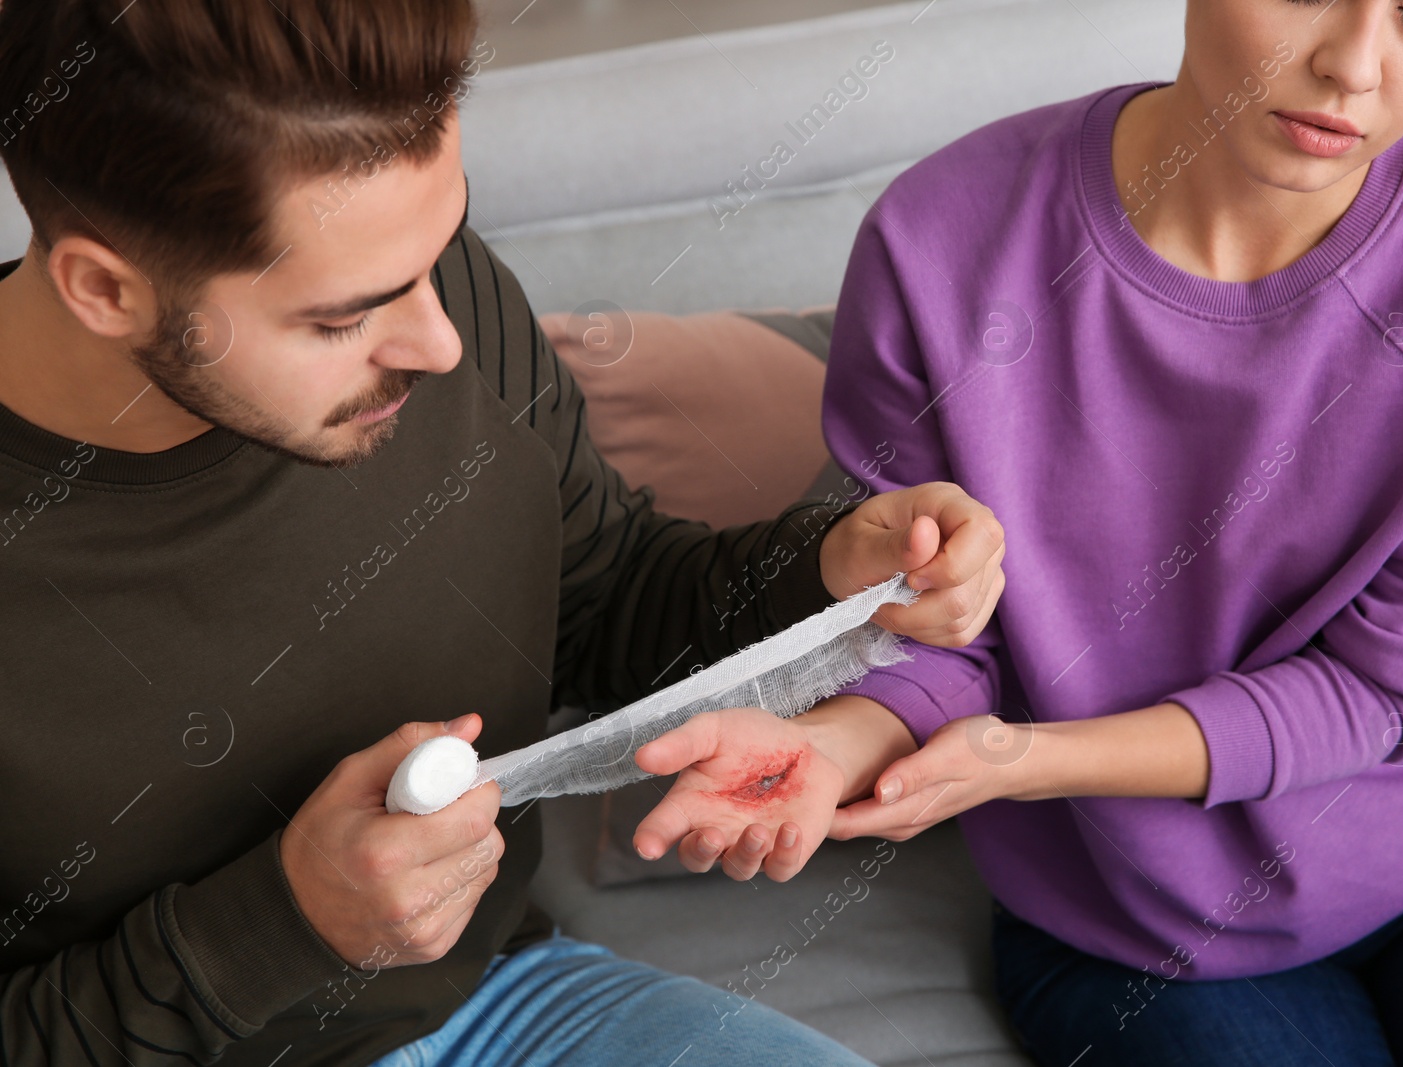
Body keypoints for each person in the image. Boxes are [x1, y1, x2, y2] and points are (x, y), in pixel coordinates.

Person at [0, 2, 1007, 1065]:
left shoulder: (439, 299)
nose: (439, 343)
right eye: (344, 318)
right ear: (106, 289)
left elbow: (603, 599)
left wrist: (828, 567)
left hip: (500, 1001)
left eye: (442, 250)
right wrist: (279, 926)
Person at [631, 0, 1403, 1063]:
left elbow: (1402, 677)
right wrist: (835, 741)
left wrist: (1023, 761)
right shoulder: (940, 241)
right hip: (1132, 924)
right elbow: (945, 626)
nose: (1354, 69)